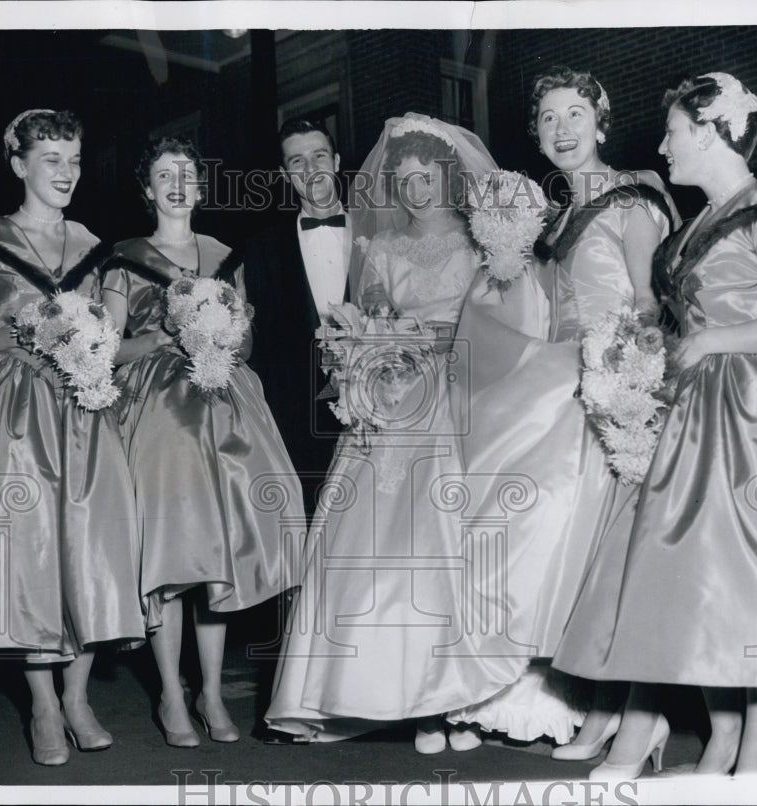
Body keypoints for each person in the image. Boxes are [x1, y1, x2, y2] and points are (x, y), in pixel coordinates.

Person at [552, 72, 757, 778]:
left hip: (755, 406)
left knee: (756, 564)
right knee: (691, 572)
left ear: (707, 131)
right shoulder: (696, 221)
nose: (662, 147)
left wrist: (709, 344)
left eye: (671, 132)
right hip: (691, 403)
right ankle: (721, 736)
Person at [445, 66, 679, 750]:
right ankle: (571, 695)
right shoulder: (560, 216)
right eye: (547, 118)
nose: (562, 128)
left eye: (575, 113)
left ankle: (625, 709)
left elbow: (651, 301)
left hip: (618, 380)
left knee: (593, 544)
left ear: (601, 120)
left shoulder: (634, 198)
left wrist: (624, 375)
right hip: (565, 377)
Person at [265, 114, 507, 753]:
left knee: (460, 546)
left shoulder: (482, 243)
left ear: (446, 175)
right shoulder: (382, 249)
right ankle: (417, 703)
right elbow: (369, 318)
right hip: (395, 396)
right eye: (406, 181)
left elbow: (501, 322)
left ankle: (464, 700)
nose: (418, 191)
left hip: (463, 395)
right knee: (391, 544)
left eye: (427, 178)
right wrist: (377, 354)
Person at [0, 109, 145, 766]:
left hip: (83, 404)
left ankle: (78, 695)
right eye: (52, 160)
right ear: (19, 165)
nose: (66, 172)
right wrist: (24, 335)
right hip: (11, 410)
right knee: (31, 550)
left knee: (98, 543)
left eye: (73, 159)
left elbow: (108, 335)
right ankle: (43, 704)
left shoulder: (96, 245)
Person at [101, 137, 304, 747]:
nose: (177, 185)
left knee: (220, 551)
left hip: (224, 401)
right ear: (147, 189)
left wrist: (220, 336)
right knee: (171, 548)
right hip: (159, 410)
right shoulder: (124, 259)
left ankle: (211, 691)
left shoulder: (225, 256)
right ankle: (169, 693)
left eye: (187, 174)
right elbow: (105, 347)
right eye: (164, 175)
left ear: (200, 184)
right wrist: (165, 338)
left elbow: (246, 344)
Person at [241, 120, 351, 521]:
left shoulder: (377, 234)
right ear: (286, 173)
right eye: (297, 161)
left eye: (319, 156)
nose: (310, 169)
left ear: (336, 161)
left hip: (376, 407)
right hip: (296, 421)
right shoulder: (260, 249)